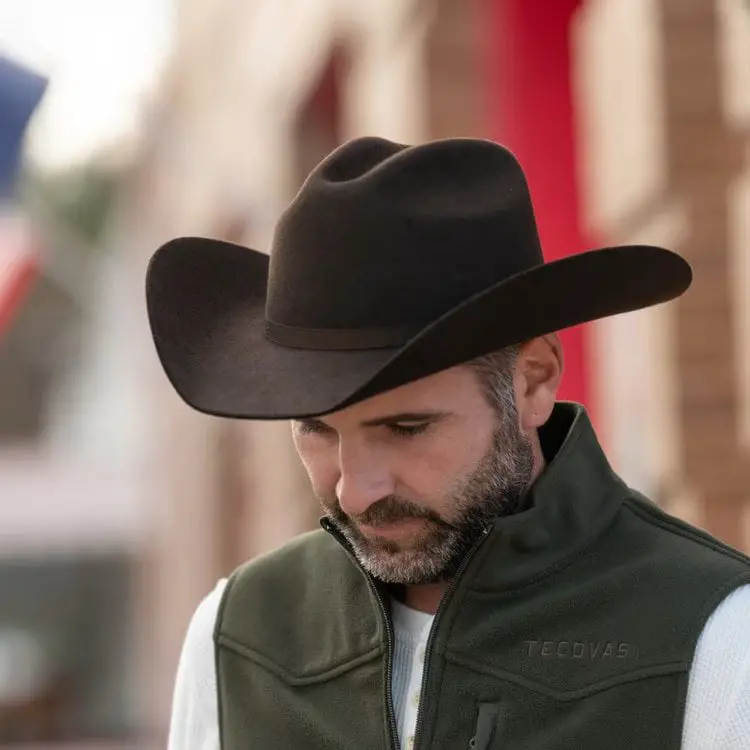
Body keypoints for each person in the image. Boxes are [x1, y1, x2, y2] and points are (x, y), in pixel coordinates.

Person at [146, 136, 750, 750]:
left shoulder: (717, 637)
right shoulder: (237, 637)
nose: (356, 491)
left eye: (407, 428)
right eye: (317, 430)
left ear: (534, 381)